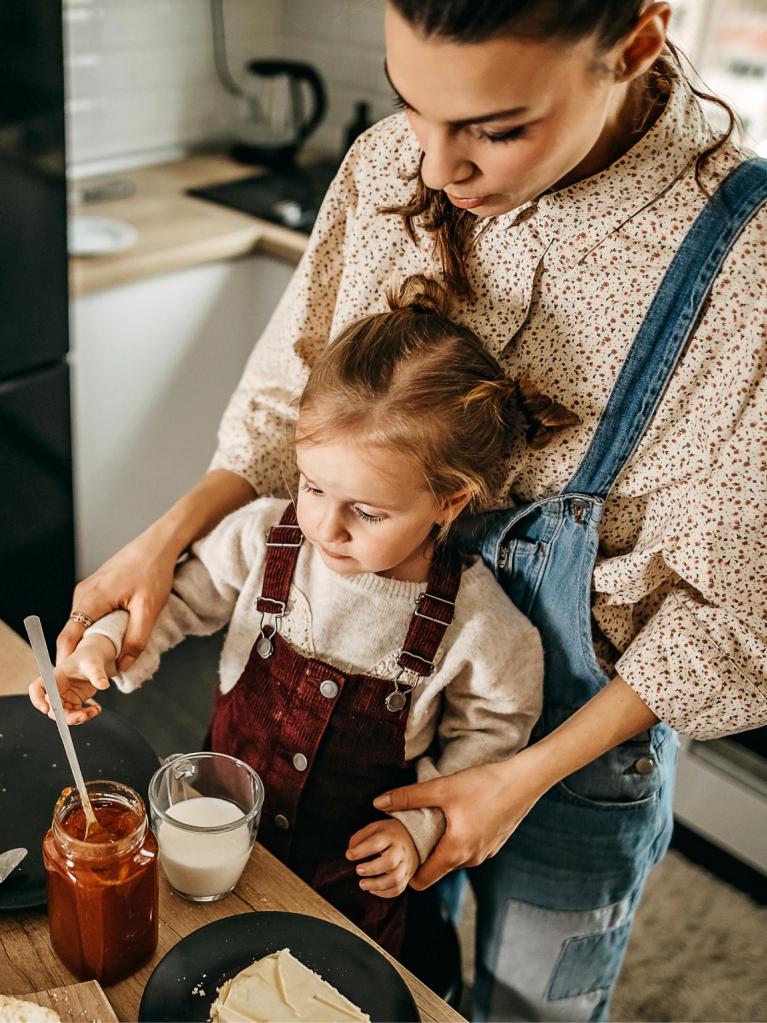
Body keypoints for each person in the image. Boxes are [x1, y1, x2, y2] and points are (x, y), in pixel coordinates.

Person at [56, 1, 767, 1018]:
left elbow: (738, 615)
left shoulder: (741, 259)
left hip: (578, 725)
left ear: (637, 42)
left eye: (495, 126)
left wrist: (514, 778)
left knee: (533, 1007)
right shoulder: (391, 163)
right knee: (373, 979)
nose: (434, 169)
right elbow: (282, 417)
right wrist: (167, 543)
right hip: (347, 748)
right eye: (412, 107)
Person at [31, 275, 544, 957]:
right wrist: (100, 645)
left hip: (348, 882)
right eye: (312, 485)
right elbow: (179, 599)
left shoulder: (476, 625)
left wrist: (419, 827)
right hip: (214, 830)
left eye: (366, 511)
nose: (325, 526)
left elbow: (491, 737)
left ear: (446, 502)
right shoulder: (261, 537)